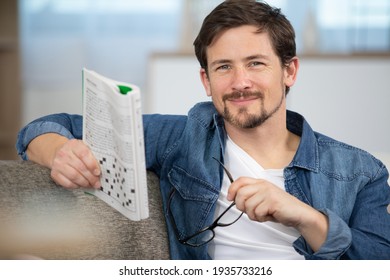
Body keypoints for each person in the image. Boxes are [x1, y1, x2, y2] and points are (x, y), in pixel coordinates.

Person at [16, 0, 390, 260]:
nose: (240, 82)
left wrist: (303, 216)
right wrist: (58, 152)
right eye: (224, 67)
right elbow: (48, 127)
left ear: (289, 71)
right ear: (206, 80)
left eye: (256, 63)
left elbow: (376, 263)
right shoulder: (183, 138)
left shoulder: (360, 172)